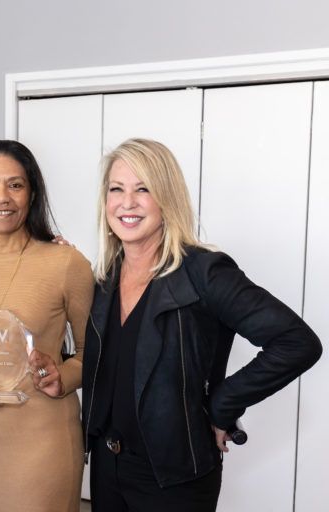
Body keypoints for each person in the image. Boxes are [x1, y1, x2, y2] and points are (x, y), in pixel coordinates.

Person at [81, 138, 322, 512]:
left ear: (167, 198)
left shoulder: (203, 271)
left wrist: (222, 404)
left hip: (174, 477)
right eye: (117, 189)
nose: (126, 203)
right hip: (107, 466)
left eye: (143, 189)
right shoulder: (104, 279)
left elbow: (296, 341)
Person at [0, 140, 94, 512]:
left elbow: (93, 353)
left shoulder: (66, 263)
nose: (1, 197)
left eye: (15, 185)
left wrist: (64, 376)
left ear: (32, 193)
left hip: (45, 441)